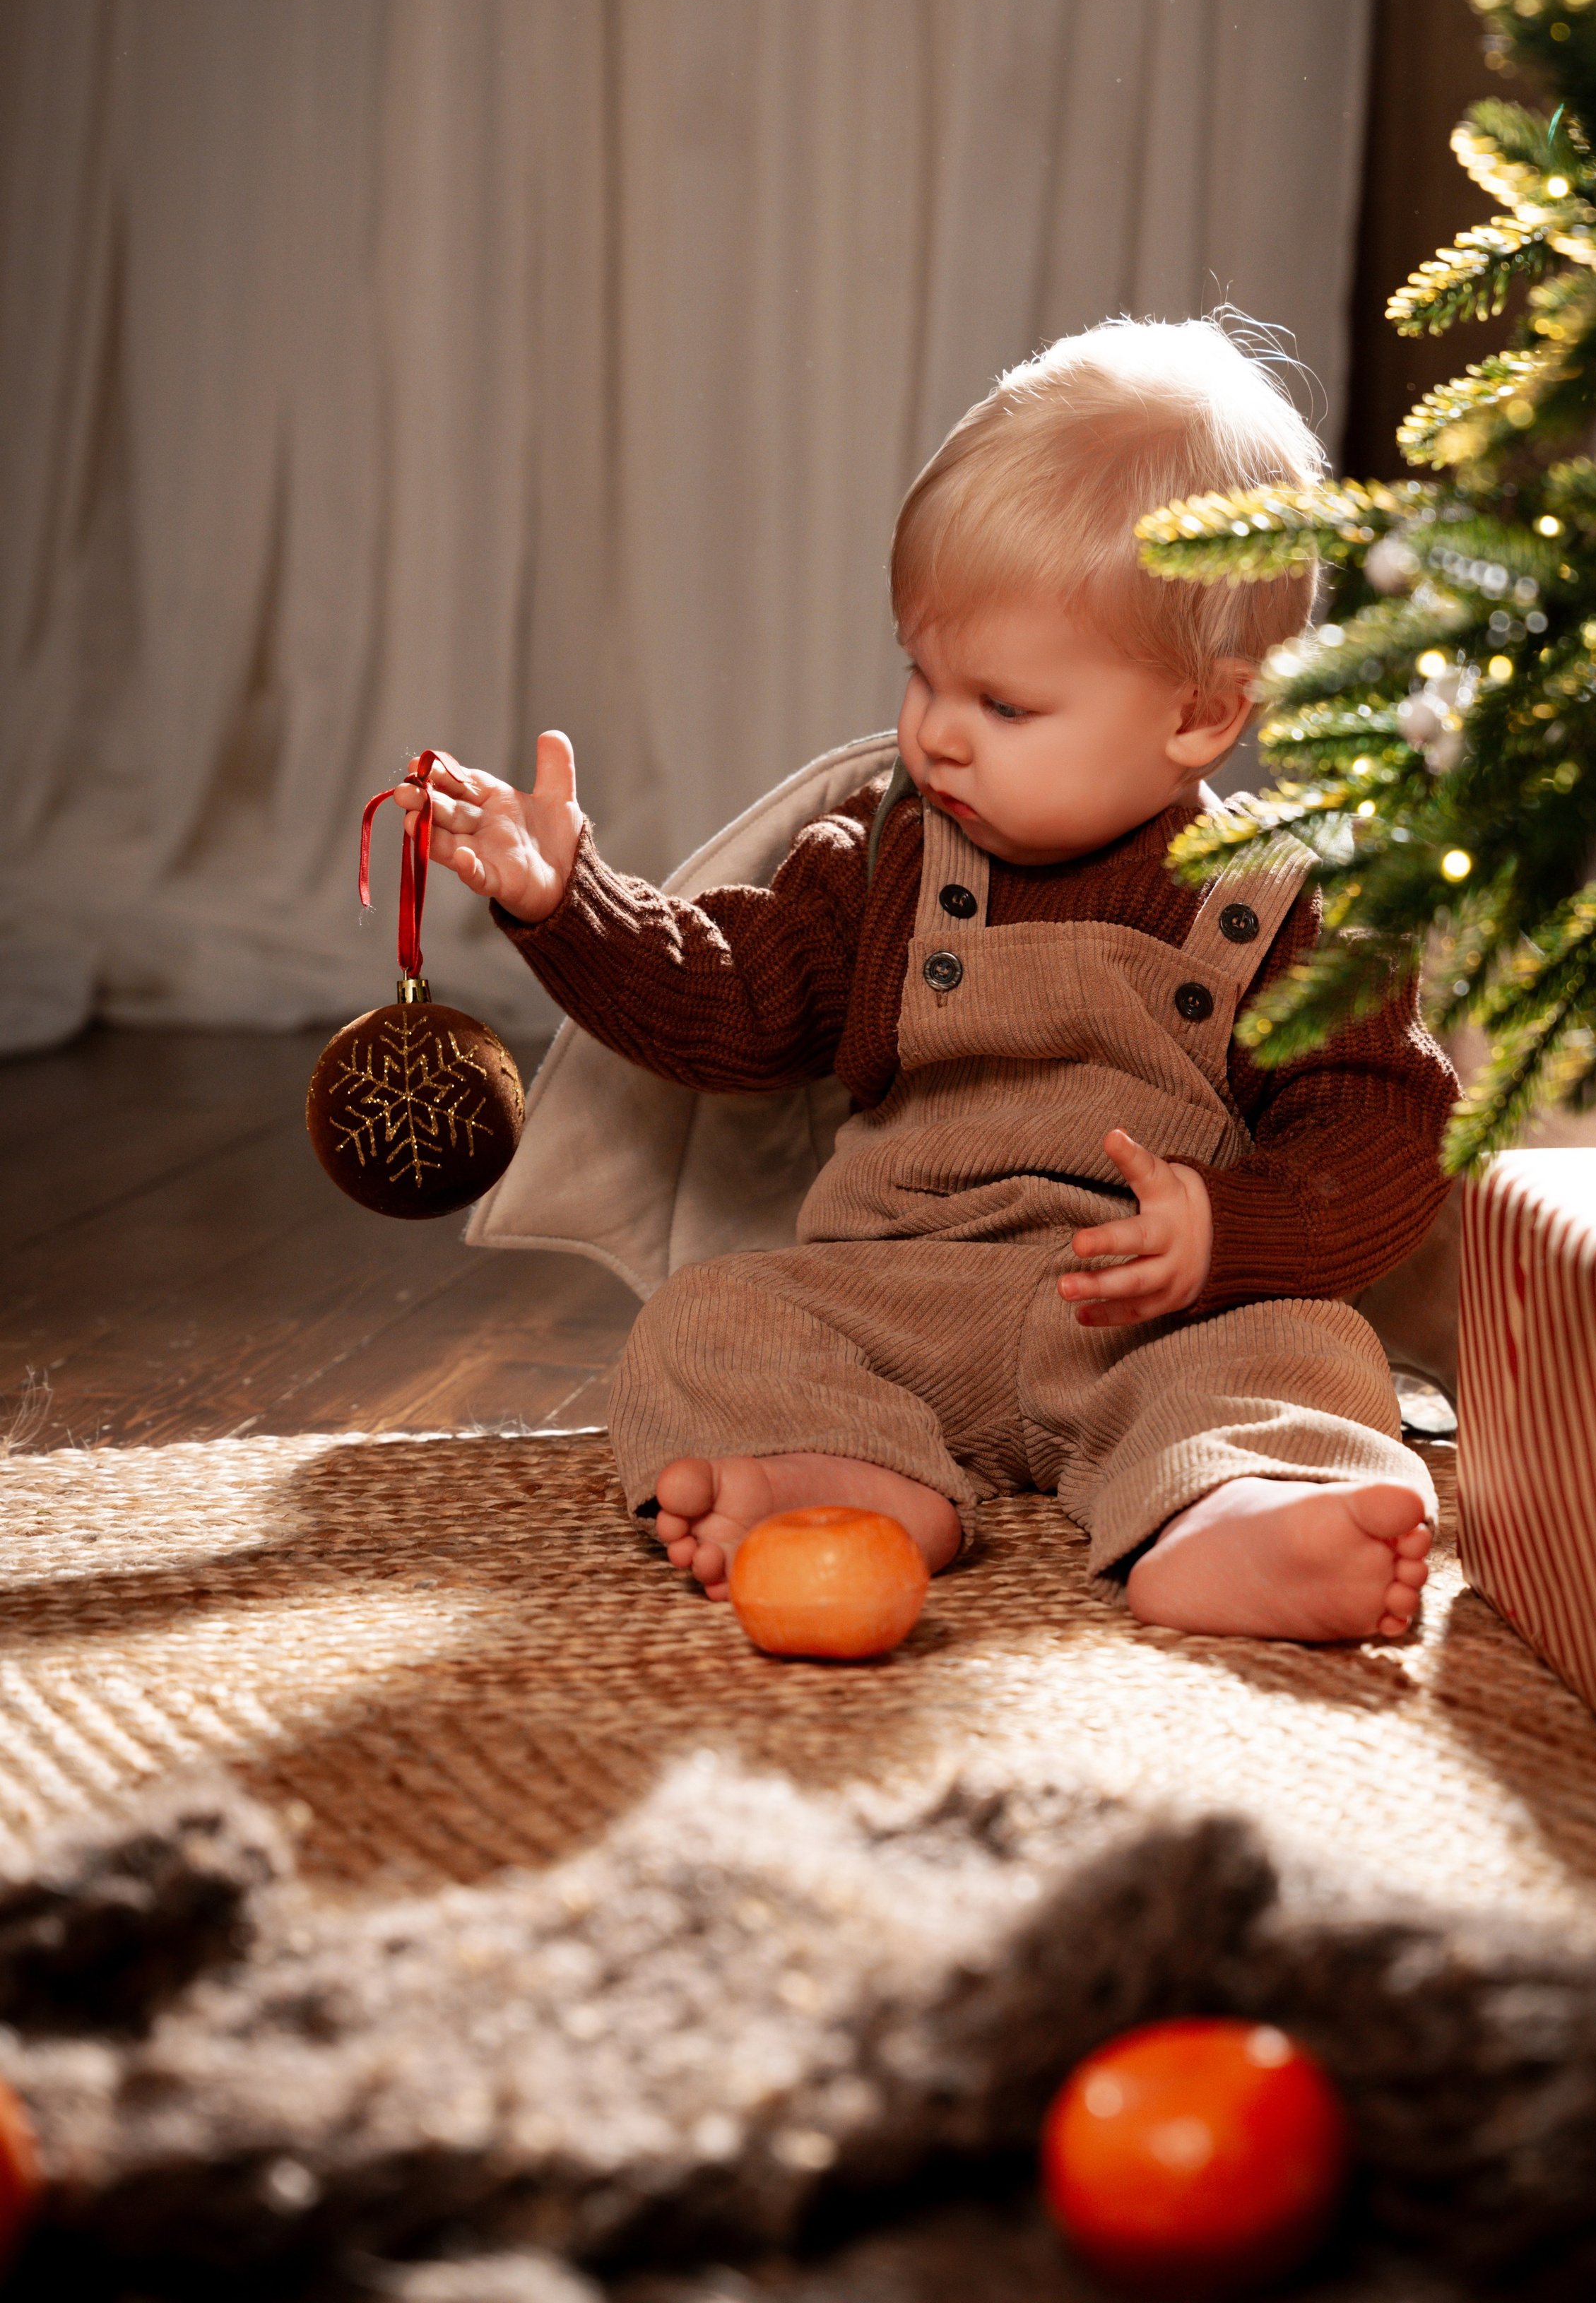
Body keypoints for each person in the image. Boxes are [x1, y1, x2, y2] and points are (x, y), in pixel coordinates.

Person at [398, 319, 1455, 1641]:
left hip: (1151, 1320)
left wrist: (1226, 1235)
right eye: (923, 674)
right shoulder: (893, 853)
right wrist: (567, 900)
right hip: (901, 1298)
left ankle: (1230, 1510)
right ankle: (853, 1475)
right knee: (707, 1319)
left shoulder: (1288, 902)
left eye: (1003, 707)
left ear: (1200, 715)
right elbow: (736, 1005)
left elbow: (1382, 1132)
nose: (938, 733)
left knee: (1307, 1349)